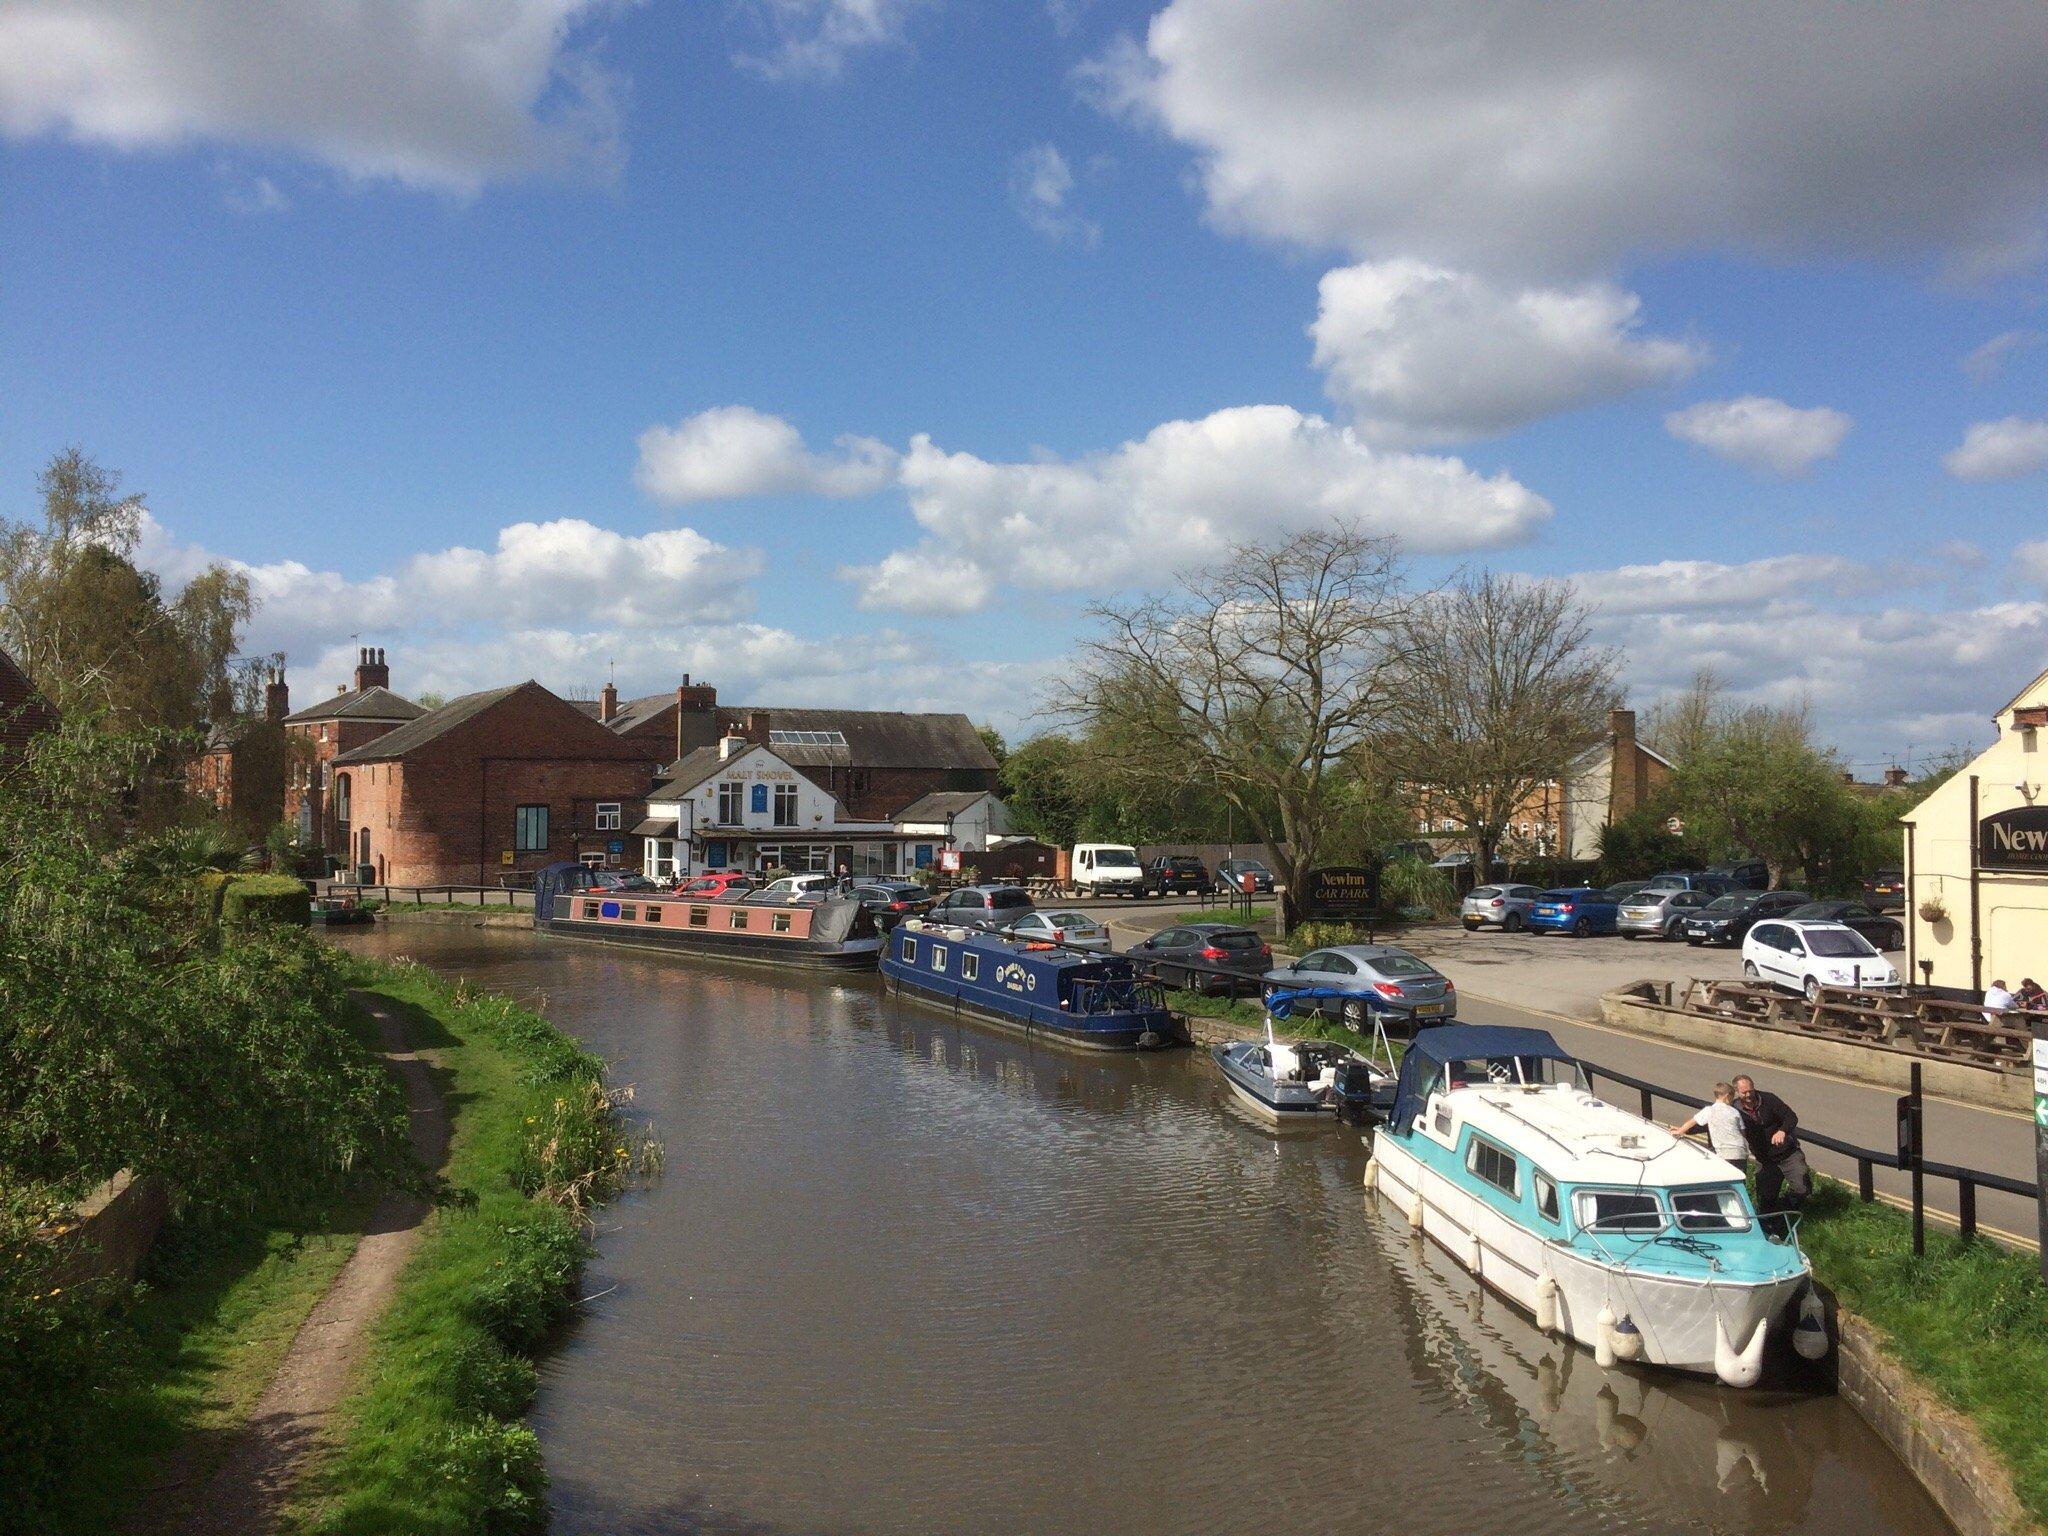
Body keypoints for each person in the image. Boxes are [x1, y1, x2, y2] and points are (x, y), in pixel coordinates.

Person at [1733, 1074, 1810, 1230]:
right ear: (1736, 1092)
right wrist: (1684, 1129)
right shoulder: (1733, 1109)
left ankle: (1788, 1205)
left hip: (1788, 1154)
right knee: (1766, 1200)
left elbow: (1791, 1117)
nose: (1748, 1095)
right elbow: (1714, 1120)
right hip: (1765, 1160)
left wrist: (1782, 1131)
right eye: (1744, 1092)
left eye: (1750, 1090)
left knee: (1802, 1187)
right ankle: (1773, 1222)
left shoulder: (1768, 1099)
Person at [1672, 1083, 1749, 1173]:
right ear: (1727, 1096)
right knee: (1740, 1175)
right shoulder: (1735, 1111)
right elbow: (1742, 1132)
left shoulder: (1710, 1110)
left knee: (1724, 1175)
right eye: (1732, 1097)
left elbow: (1692, 1122)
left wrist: (1680, 1131)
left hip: (1724, 1152)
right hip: (1741, 1151)